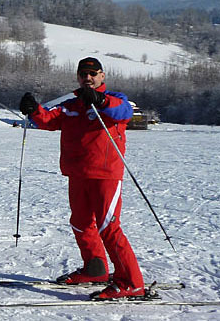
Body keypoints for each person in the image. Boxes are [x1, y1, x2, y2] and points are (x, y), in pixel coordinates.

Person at [19, 57, 144, 300]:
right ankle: (95, 268)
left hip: (105, 174)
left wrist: (100, 99)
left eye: (92, 73)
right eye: (83, 74)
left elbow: (123, 112)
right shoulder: (72, 105)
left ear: (102, 76)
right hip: (78, 174)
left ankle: (131, 281)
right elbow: (50, 119)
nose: (87, 77)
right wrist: (34, 109)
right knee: (80, 223)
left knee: (108, 227)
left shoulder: (115, 99)